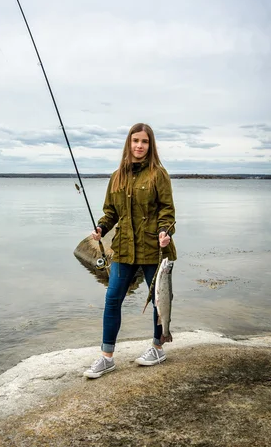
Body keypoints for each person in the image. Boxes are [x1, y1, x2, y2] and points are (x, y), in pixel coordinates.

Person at [83, 122, 176, 379]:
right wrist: (101, 228)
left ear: (150, 145)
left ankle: (158, 347)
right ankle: (106, 358)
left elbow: (167, 211)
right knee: (112, 299)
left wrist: (164, 232)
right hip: (124, 247)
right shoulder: (117, 176)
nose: (139, 146)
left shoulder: (159, 174)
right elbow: (110, 212)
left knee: (160, 299)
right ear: (129, 143)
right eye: (135, 141)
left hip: (153, 248)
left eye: (144, 142)